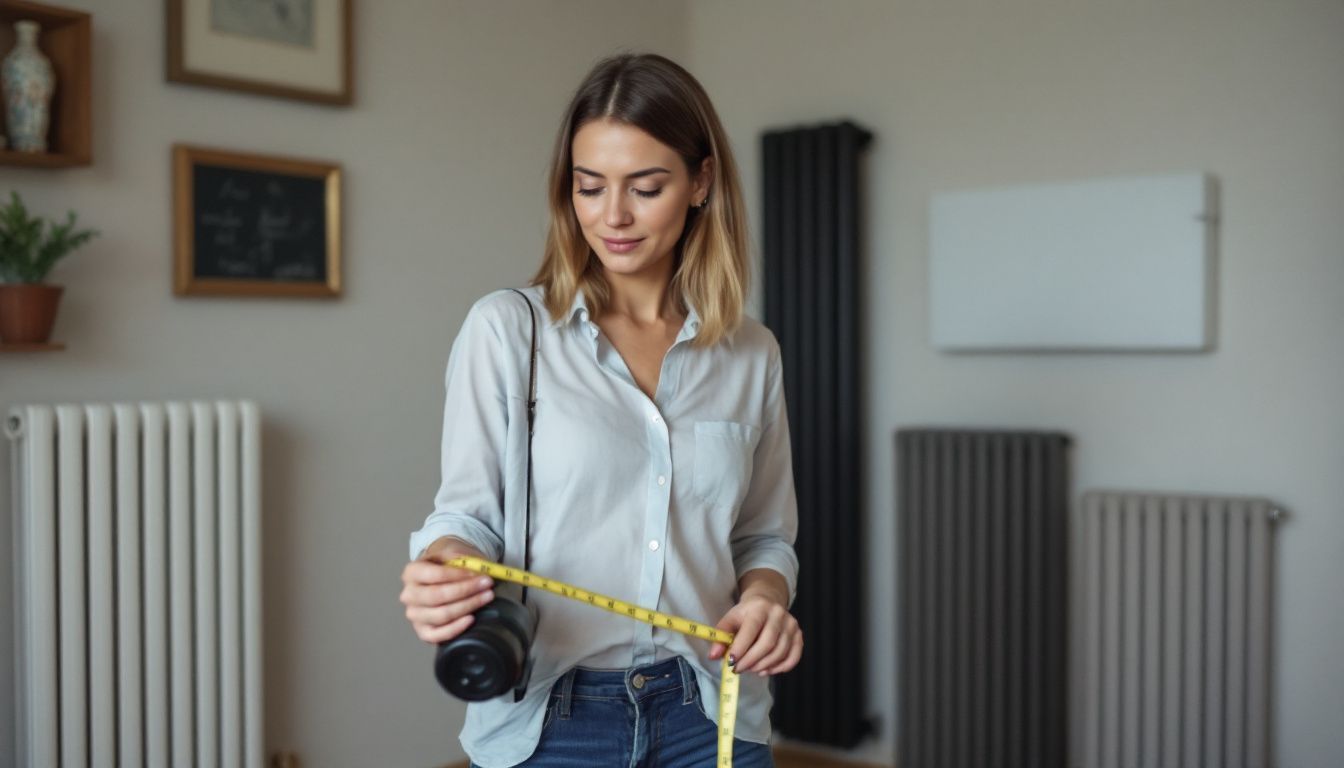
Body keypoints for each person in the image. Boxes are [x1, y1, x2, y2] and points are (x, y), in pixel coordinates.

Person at [400, 52, 801, 768]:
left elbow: (763, 539)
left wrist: (767, 599)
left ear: (701, 182)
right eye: (590, 187)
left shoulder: (752, 352)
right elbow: (464, 520)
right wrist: (447, 565)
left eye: (646, 188)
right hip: (552, 716)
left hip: (708, 710)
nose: (612, 216)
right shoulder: (508, 330)